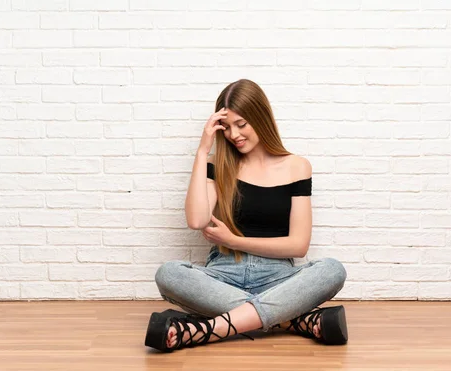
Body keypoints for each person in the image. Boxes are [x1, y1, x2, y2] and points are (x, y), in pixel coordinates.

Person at [145, 79, 347, 353]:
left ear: (260, 117)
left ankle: (206, 330)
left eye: (241, 124)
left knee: (332, 270)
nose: (233, 134)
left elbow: (298, 245)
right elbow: (196, 220)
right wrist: (203, 150)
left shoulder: (297, 166)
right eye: (226, 127)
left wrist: (236, 241)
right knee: (169, 274)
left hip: (278, 277)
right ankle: (294, 320)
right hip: (223, 274)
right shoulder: (219, 164)